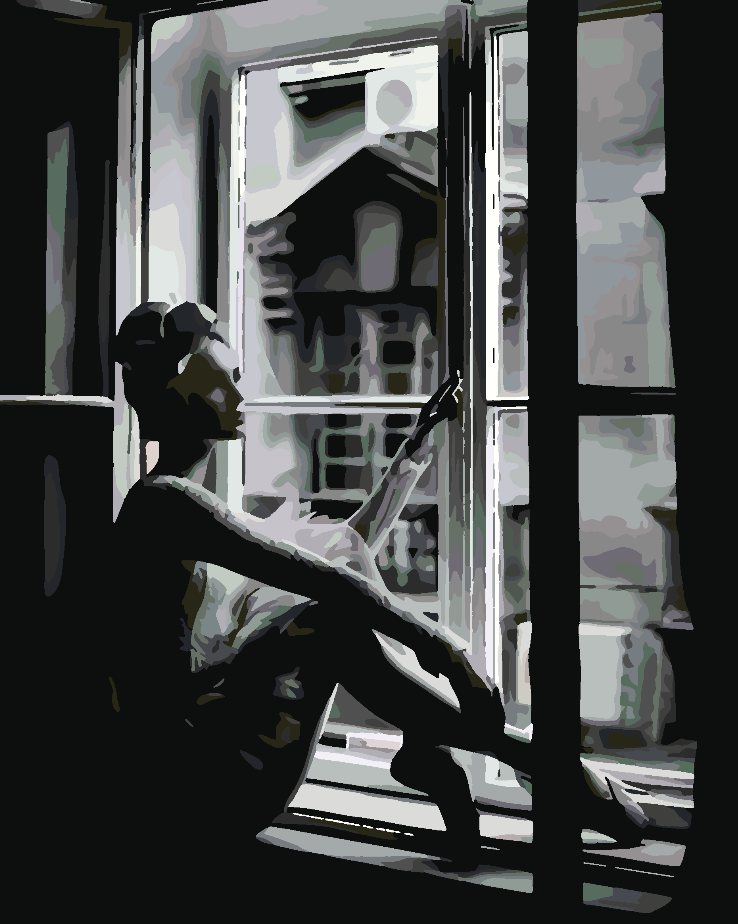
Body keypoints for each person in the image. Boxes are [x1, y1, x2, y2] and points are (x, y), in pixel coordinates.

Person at [106, 301, 530, 869]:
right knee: (329, 617)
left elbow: (339, 550)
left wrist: (411, 456)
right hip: (193, 781)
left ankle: (459, 748)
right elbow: (323, 579)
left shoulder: (184, 504)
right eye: (227, 380)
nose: (241, 394)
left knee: (332, 566)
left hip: (204, 760)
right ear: (181, 391)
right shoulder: (165, 503)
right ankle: (521, 756)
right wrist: (445, 650)